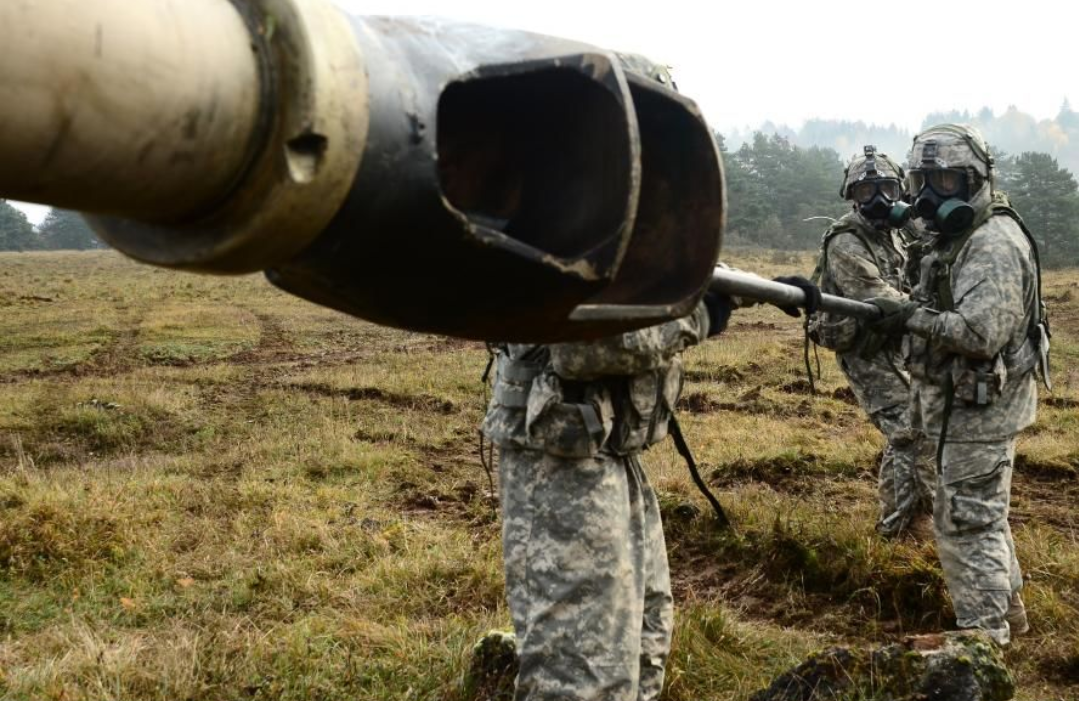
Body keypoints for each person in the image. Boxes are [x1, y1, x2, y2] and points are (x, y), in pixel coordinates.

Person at [482, 289, 732, 700]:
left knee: (643, 647)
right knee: (580, 676)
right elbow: (587, 346)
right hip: (560, 467)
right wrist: (697, 314)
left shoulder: (618, 227)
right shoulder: (569, 228)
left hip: (611, 450)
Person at [866, 123, 1049, 645]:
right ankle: (1008, 618)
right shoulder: (960, 236)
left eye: (945, 180)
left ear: (974, 181)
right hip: (963, 409)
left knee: (966, 524)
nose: (928, 196)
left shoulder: (991, 242)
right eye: (923, 180)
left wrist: (906, 315)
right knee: (981, 516)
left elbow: (978, 331)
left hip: (979, 413)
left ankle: (984, 635)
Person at [807, 145, 935, 538]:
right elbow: (877, 297)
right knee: (910, 430)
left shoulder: (894, 232)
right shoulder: (846, 241)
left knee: (912, 432)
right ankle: (899, 529)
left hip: (892, 344)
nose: (879, 200)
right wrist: (939, 319)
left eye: (887, 189)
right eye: (866, 192)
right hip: (862, 349)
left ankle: (909, 520)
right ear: (852, 197)